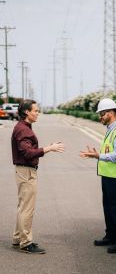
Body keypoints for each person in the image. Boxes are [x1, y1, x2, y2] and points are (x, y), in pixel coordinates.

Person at [11, 99, 65, 254]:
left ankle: (18, 239)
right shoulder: (23, 130)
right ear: (27, 112)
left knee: (23, 208)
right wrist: (50, 148)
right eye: (35, 111)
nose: (38, 113)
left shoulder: (23, 127)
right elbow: (27, 153)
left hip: (24, 171)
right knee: (27, 209)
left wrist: (48, 148)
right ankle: (26, 243)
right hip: (26, 172)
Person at [80, 98, 116, 254]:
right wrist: (98, 155)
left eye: (102, 114)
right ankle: (111, 236)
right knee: (109, 208)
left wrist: (98, 156)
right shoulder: (111, 130)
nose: (100, 117)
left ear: (110, 113)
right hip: (108, 176)